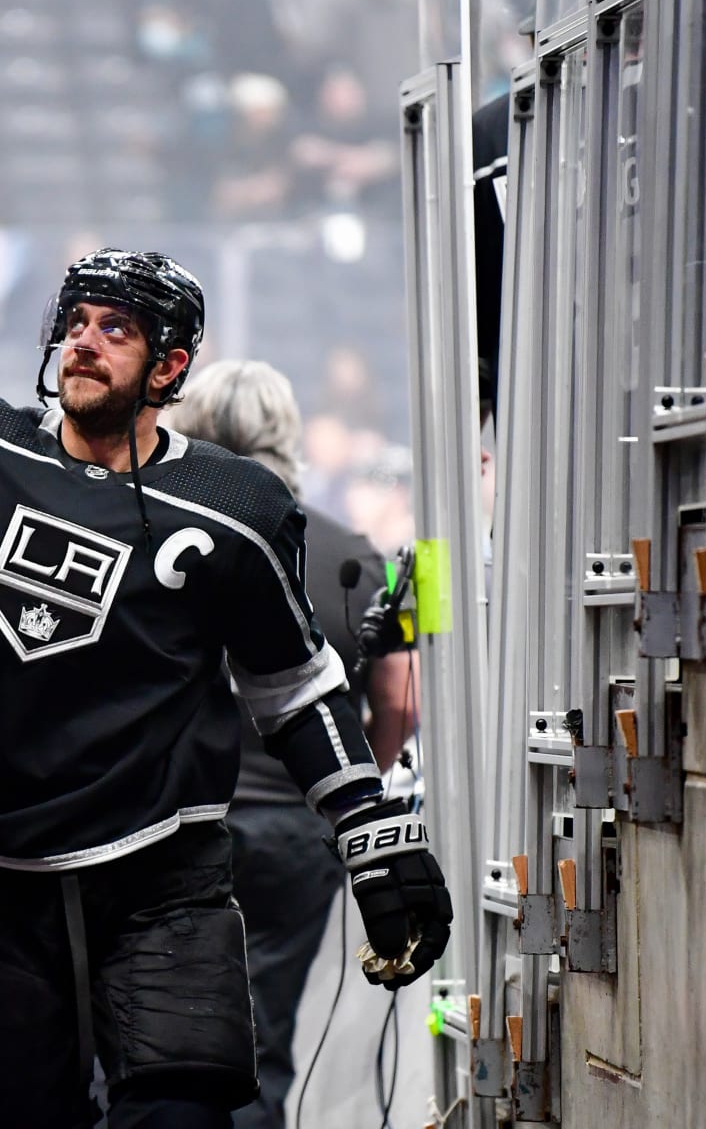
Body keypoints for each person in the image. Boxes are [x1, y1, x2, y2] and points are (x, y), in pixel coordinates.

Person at [0, 215, 452, 1127]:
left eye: (117, 328)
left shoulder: (236, 506)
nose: (85, 342)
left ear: (170, 368)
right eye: (77, 321)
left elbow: (294, 690)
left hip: (163, 883)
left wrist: (371, 834)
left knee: (181, 1119)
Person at [164, 359, 416, 1129]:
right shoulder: (353, 553)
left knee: (154, 1050)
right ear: (289, 436)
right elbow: (402, 699)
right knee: (262, 1049)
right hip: (298, 835)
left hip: (175, 834)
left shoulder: (163, 543)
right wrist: (342, 787)